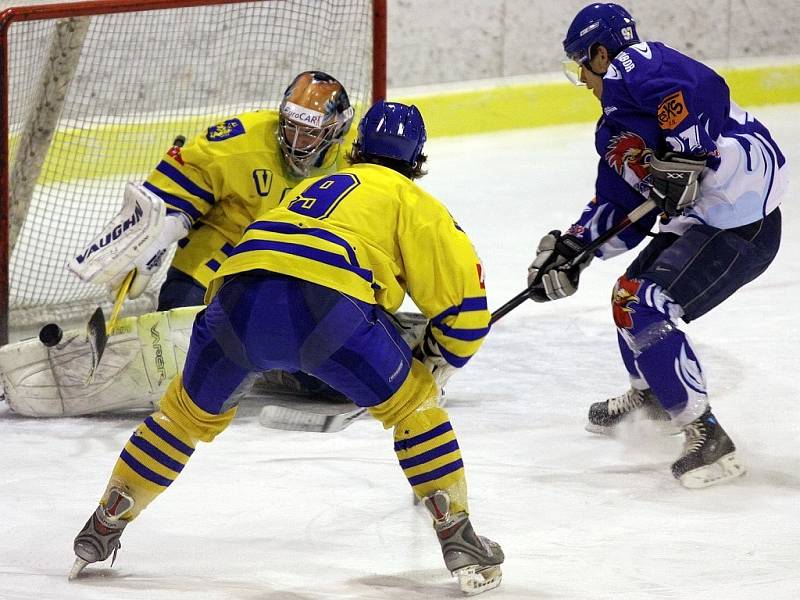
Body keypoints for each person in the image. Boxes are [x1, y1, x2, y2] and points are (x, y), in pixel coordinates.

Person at [69, 101, 504, 595]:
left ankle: (106, 520)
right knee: (415, 406)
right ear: (419, 161)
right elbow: (466, 313)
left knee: (182, 417)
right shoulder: (415, 205)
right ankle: (457, 534)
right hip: (326, 312)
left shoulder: (309, 187)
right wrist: (434, 360)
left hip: (234, 301)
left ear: (354, 148)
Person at [527, 3, 785, 488]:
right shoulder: (616, 126)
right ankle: (657, 396)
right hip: (707, 221)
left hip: (739, 224)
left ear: (601, 55)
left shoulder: (642, 66)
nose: (582, 79)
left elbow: (702, 87)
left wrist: (686, 153)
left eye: (582, 64)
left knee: (645, 306)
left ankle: (708, 437)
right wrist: (574, 249)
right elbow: (620, 207)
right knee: (628, 298)